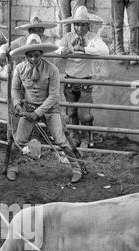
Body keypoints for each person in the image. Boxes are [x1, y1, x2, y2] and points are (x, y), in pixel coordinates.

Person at [7, 35, 83, 184]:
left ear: (41, 54)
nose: (34, 58)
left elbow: (54, 95)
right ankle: (12, 167)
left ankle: (76, 169)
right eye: (30, 55)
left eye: (37, 55)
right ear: (26, 55)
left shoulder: (51, 69)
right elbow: (15, 90)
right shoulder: (19, 68)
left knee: (61, 140)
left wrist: (37, 113)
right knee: (19, 139)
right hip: (28, 109)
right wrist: (17, 104)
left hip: (50, 109)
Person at [58, 6, 109, 148]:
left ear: (88, 25)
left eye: (82, 24)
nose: (79, 27)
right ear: (74, 25)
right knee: (72, 111)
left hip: (86, 79)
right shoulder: (68, 37)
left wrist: (84, 49)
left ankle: (88, 137)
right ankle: (76, 137)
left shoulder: (93, 38)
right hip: (70, 78)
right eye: (77, 24)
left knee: (84, 114)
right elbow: (56, 47)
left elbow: (105, 51)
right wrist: (63, 49)